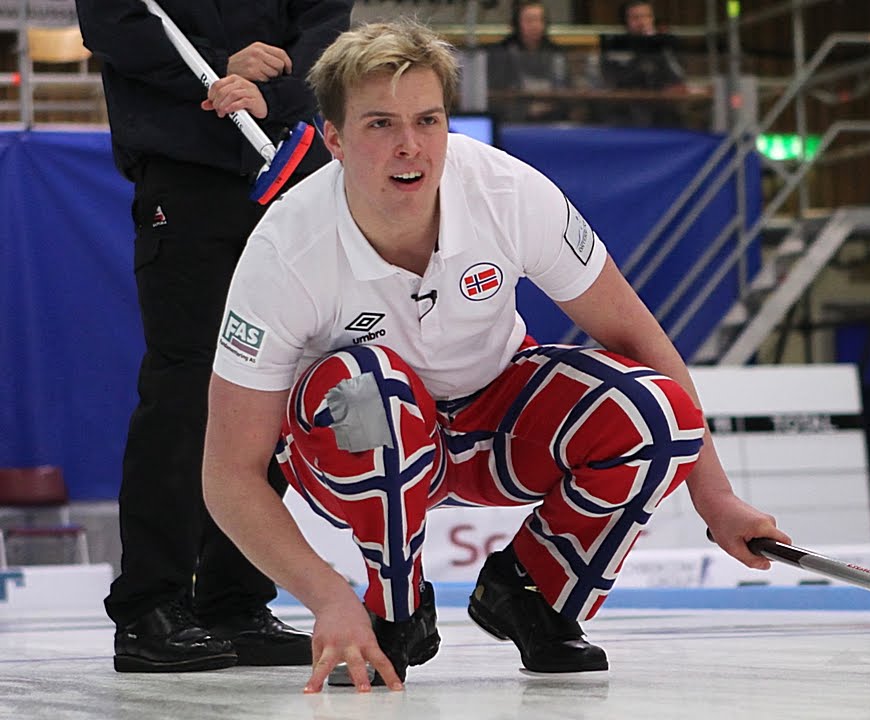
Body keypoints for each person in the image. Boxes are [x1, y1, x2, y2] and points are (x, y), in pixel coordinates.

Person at [202, 18, 791, 693]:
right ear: (333, 139)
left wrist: (715, 499)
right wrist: (327, 597)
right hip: (363, 443)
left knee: (659, 412)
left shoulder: (509, 191)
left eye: (428, 119)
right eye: (380, 125)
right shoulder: (284, 251)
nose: (410, 147)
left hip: (492, 431)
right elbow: (228, 475)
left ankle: (531, 595)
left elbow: (640, 339)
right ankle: (391, 606)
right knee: (369, 388)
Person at [75, 0, 352, 673]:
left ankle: (235, 599)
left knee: (278, 385)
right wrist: (215, 69)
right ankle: (150, 606)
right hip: (185, 176)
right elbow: (112, 24)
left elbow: (324, 26)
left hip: (285, 165)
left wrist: (272, 90)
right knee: (186, 389)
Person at [599, 1, 686, 126]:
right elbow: (612, 82)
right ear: (626, 21)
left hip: (662, 111)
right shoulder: (616, 45)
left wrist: (655, 43)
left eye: (647, 16)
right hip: (625, 112)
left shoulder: (666, 44)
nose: (642, 22)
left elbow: (677, 78)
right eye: (635, 18)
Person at [485, 0, 570, 122]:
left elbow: (565, 90)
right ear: (517, 24)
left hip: (553, 118)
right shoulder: (501, 52)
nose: (535, 25)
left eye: (539, 20)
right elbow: (497, 95)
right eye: (529, 20)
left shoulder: (556, 53)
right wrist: (525, 109)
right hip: (513, 120)